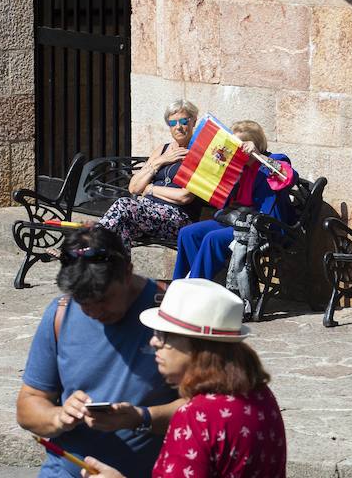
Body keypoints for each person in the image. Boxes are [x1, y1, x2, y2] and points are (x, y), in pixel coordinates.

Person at [16, 227, 182, 477]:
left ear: (127, 271)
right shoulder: (60, 313)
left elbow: (206, 409)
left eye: (104, 298)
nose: (94, 311)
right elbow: (28, 404)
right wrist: (60, 416)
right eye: (83, 302)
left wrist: (141, 417)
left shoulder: (169, 312)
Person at [81, 279, 287, 478]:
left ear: (199, 347)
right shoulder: (261, 395)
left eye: (164, 334)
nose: (154, 341)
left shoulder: (195, 417)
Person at [172, 120, 298, 281]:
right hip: (235, 219)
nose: (234, 149)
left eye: (238, 145)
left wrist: (258, 156)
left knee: (213, 239)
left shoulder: (273, 160)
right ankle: (184, 285)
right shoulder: (236, 166)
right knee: (188, 233)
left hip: (262, 226)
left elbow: (289, 177)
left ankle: (195, 288)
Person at [97, 100, 202, 252]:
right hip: (147, 213)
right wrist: (161, 160)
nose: (178, 127)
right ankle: (116, 271)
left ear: (194, 122)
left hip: (178, 218)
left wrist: (151, 189)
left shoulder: (200, 154)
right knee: (122, 228)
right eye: (173, 123)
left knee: (123, 205)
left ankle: (85, 249)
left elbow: (185, 196)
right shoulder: (162, 150)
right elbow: (134, 187)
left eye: (184, 121)